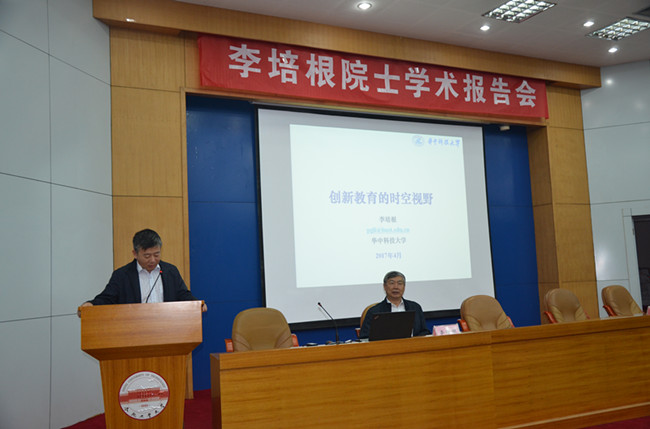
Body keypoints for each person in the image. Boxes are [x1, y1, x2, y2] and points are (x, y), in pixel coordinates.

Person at [78, 229, 206, 314]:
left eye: (157, 254)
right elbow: (107, 298)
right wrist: (91, 304)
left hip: (167, 329)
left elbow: (183, 295)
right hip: (134, 332)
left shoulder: (170, 271)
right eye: (147, 256)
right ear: (135, 253)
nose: (152, 260)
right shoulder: (122, 275)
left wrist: (197, 304)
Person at [358, 270, 429, 338]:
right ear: (385, 286)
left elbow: (424, 332)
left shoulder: (415, 307)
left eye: (400, 283)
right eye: (392, 283)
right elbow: (365, 337)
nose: (396, 287)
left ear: (404, 287)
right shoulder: (374, 311)